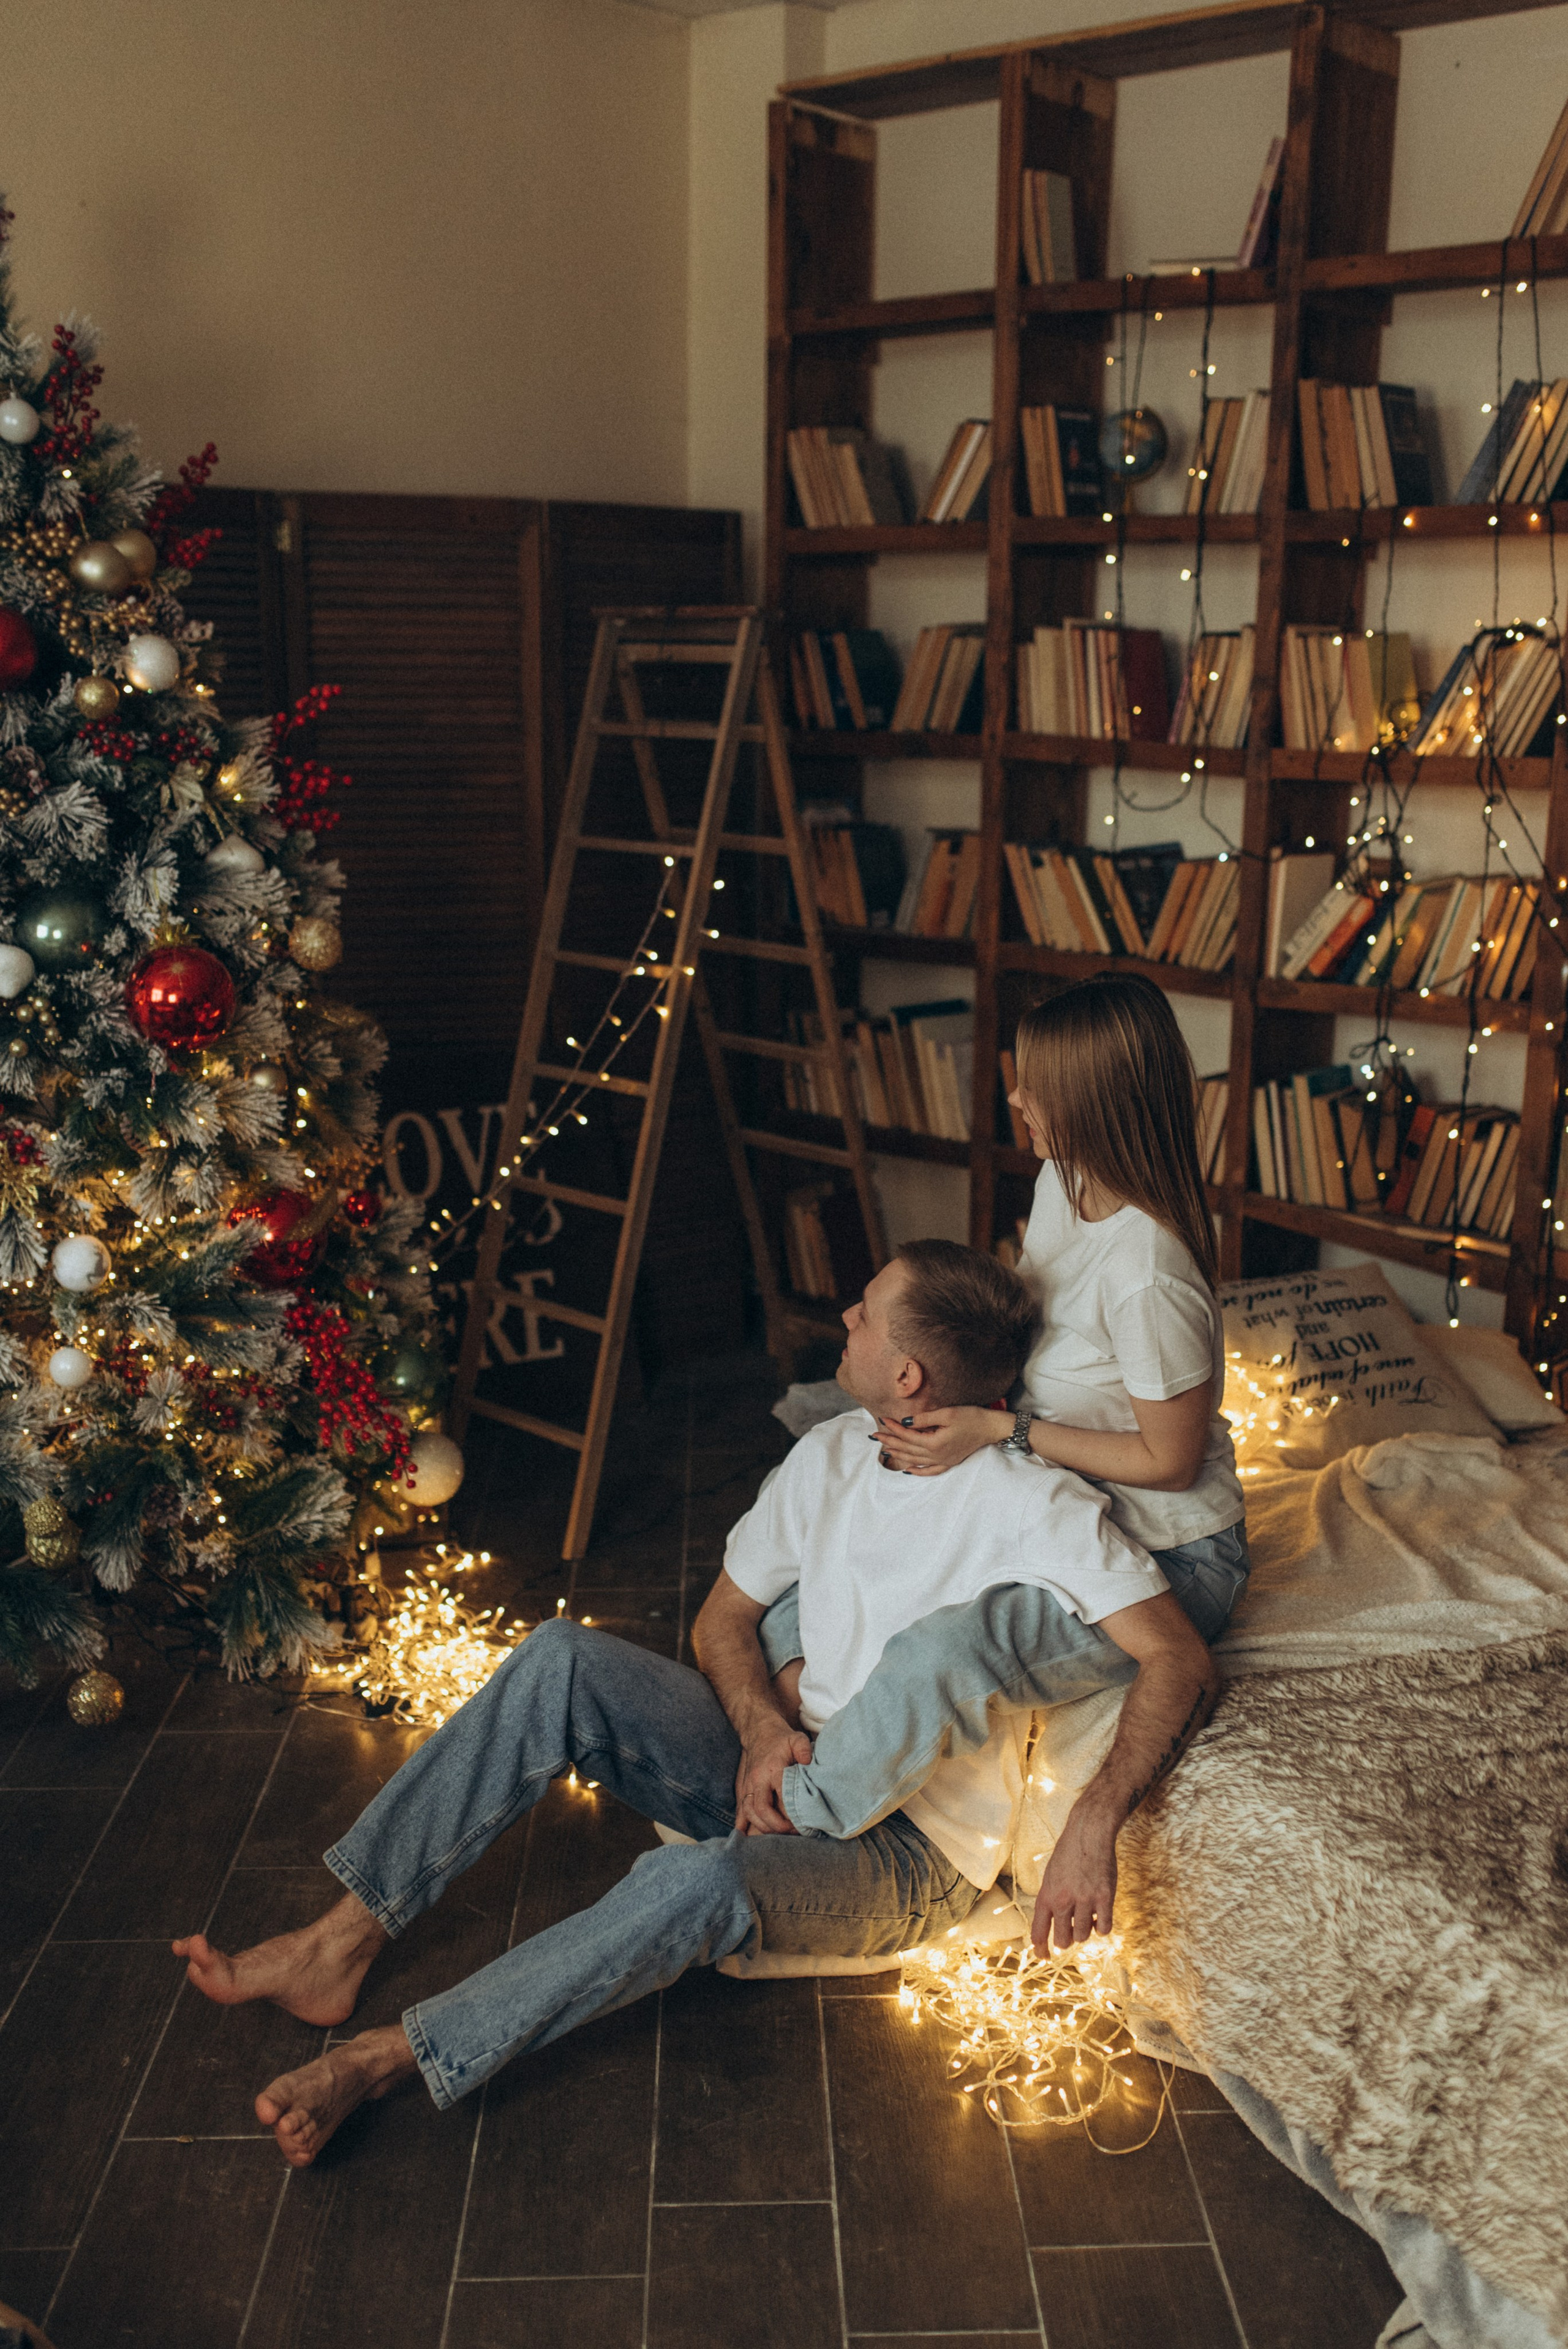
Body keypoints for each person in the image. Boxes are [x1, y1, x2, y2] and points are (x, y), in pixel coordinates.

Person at [172, 1239, 1218, 2169]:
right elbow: (723, 1618)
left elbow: (1178, 1657)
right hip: (780, 1759)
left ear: (908, 1371)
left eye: (864, 1310)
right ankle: (340, 1940)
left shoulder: (1033, 1501)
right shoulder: (830, 1454)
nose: (844, 1318)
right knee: (558, 1658)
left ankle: (392, 2054)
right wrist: (765, 1727)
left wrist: (1097, 1815)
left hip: (905, 1853)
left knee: (692, 1878)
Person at [768, 973, 1250, 1842]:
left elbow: (1170, 1462)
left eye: (1034, 1083)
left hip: (1169, 1549)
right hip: (1060, 1495)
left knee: (935, 1652)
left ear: (1091, 1102)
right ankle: (788, 1720)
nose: (1014, 1094)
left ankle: (796, 1814)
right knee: (806, 1579)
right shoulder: (1062, 1183)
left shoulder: (1149, 1272)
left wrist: (1001, 1429)